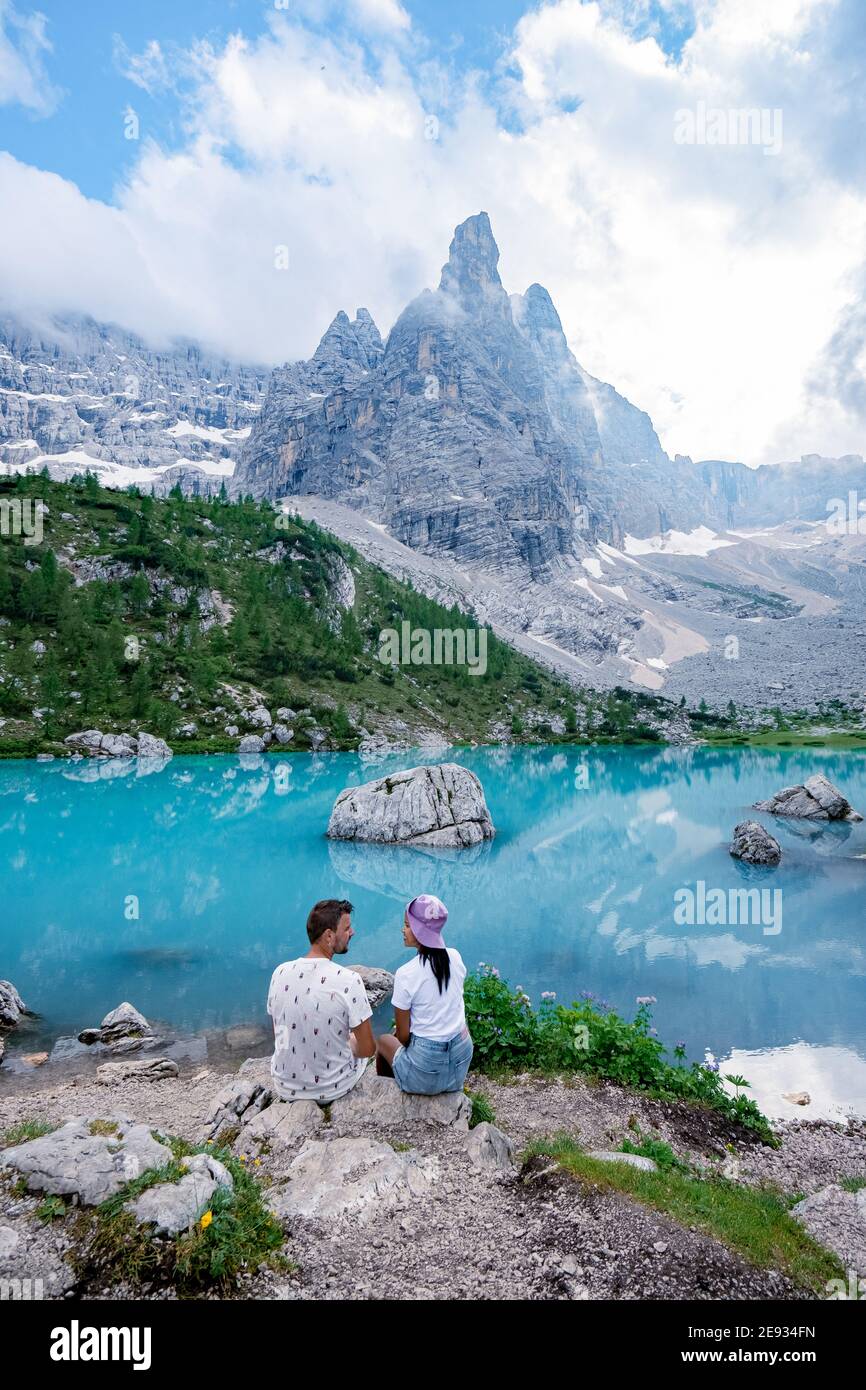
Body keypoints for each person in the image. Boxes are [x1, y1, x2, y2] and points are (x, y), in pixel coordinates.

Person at [267, 898, 375, 1104]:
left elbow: (281, 1032)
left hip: (285, 1087)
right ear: (329, 936)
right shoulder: (349, 980)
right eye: (347, 928)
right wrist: (351, 1043)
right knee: (355, 1041)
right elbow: (368, 1049)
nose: (352, 932)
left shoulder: (279, 973)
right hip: (331, 1089)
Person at [376, 894, 473, 1094]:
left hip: (425, 1076)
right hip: (459, 1065)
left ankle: (387, 1094)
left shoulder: (406, 973)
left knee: (385, 1040)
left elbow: (403, 1036)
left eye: (408, 925)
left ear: (420, 930)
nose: (403, 930)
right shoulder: (454, 957)